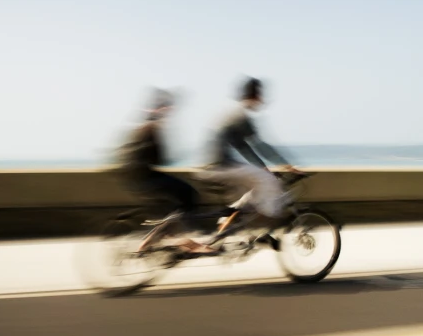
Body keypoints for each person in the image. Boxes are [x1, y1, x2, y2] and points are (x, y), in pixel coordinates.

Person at [202, 77, 305, 237]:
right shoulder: (241, 116)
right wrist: (287, 165)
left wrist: (261, 166)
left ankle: (225, 222)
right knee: (269, 182)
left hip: (213, 163)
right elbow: (259, 145)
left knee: (257, 187)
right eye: (260, 95)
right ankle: (266, 227)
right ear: (255, 96)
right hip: (219, 164)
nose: (262, 99)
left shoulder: (234, 114)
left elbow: (243, 146)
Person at [116, 88, 215, 254]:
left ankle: (175, 238)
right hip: (145, 178)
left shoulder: (142, 126)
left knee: (170, 208)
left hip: (133, 178)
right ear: (162, 108)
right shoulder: (154, 127)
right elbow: (160, 159)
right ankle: (169, 239)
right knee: (188, 193)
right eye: (167, 107)